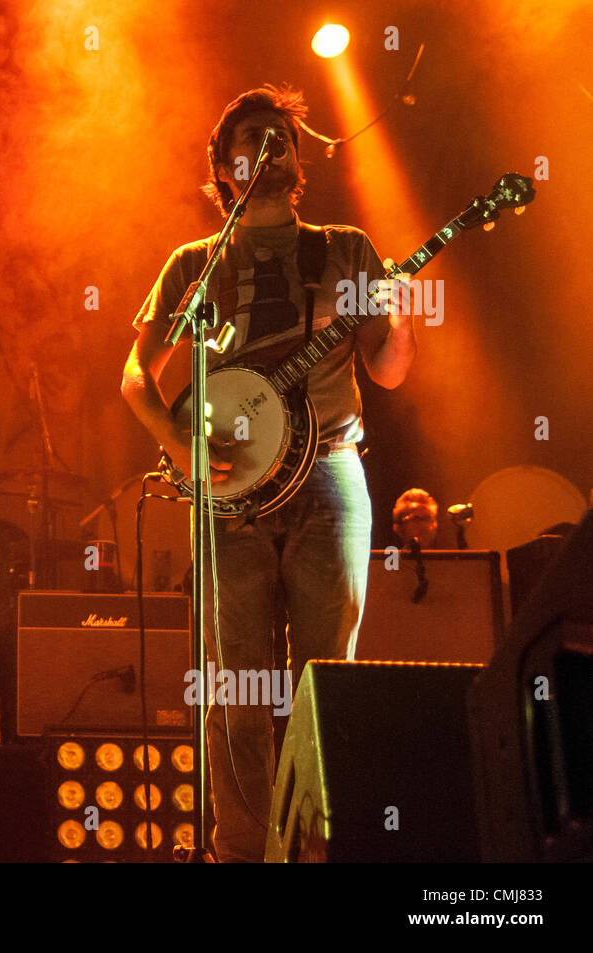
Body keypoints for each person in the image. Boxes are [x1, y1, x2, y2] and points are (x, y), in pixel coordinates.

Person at [120, 85, 417, 862]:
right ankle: (241, 850)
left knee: (324, 685)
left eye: (282, 135)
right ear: (223, 167)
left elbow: (386, 370)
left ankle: (319, 851)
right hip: (227, 493)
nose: (272, 147)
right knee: (237, 692)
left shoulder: (345, 247)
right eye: (253, 138)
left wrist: (402, 313)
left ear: (297, 156)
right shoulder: (194, 263)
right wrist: (181, 447)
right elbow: (134, 377)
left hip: (329, 474)